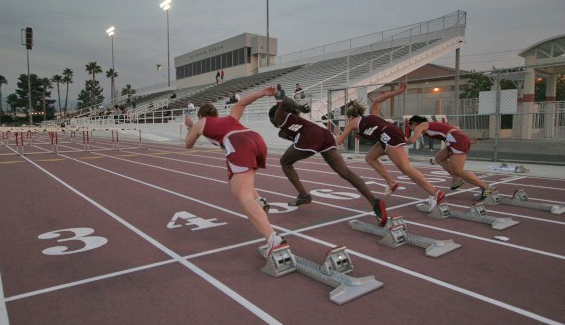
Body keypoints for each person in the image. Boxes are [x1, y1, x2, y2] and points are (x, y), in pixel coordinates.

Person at [184, 86, 286, 257]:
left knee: (243, 196)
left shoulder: (200, 123)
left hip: (238, 143)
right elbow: (242, 104)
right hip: (256, 139)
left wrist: (190, 126)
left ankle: (273, 239)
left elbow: (188, 145)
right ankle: (259, 200)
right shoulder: (230, 117)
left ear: (201, 115)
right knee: (237, 185)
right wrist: (263, 93)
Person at [269, 95, 388, 225]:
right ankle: (373, 201)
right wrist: (290, 135)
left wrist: (299, 107)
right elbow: (298, 134)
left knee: (285, 162)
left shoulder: (278, 117)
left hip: (311, 136)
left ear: (273, 117)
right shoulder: (292, 119)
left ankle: (303, 195)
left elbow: (285, 100)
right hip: (324, 135)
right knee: (345, 172)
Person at [335, 82, 445, 211]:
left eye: (348, 118)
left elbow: (339, 142)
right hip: (387, 135)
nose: (348, 121)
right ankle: (391, 183)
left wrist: (337, 134)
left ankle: (435, 193)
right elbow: (378, 100)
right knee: (370, 157)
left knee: (406, 169)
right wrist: (396, 92)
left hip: (389, 136)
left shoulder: (352, 122)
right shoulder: (371, 115)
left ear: (350, 116)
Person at [407, 115, 497, 200]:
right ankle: (456, 179)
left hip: (455, 140)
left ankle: (486, 187)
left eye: (410, 126)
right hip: (455, 139)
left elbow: (412, 140)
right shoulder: (430, 125)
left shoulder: (420, 126)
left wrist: (399, 139)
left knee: (459, 171)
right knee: (439, 158)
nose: (411, 129)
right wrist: (465, 138)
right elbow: (455, 128)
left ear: (414, 123)